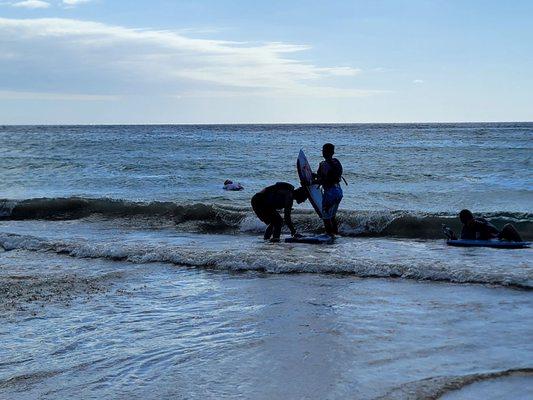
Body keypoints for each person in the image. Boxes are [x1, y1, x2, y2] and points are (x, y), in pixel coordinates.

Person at [314, 143, 343, 236]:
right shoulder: (336, 162)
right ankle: (335, 235)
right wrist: (313, 177)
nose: (324, 152)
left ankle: (329, 235)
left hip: (330, 193)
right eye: (323, 150)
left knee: (326, 217)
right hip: (338, 191)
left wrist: (313, 182)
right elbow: (321, 177)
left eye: (325, 151)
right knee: (332, 216)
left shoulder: (324, 164)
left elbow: (325, 180)